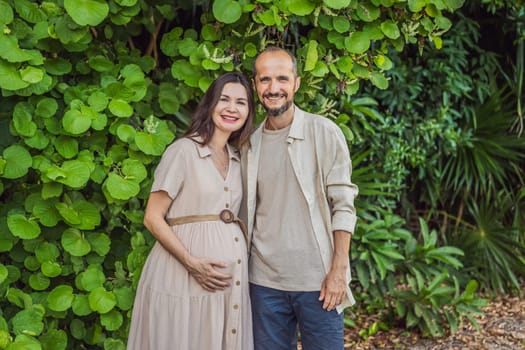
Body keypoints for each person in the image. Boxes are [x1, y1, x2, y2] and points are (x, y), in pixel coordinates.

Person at [240, 46, 359, 350]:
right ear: (255, 85)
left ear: (296, 83)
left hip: (318, 281)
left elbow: (343, 204)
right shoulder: (248, 144)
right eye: (265, 80)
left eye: (282, 78)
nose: (274, 88)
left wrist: (339, 269)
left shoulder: (324, 132)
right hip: (264, 283)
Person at [127, 72, 256, 350]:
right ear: (210, 104)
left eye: (241, 102)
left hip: (226, 288)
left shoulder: (237, 159)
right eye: (224, 99)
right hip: (181, 276)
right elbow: (152, 217)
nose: (232, 108)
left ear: (249, 111)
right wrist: (192, 263)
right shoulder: (183, 151)